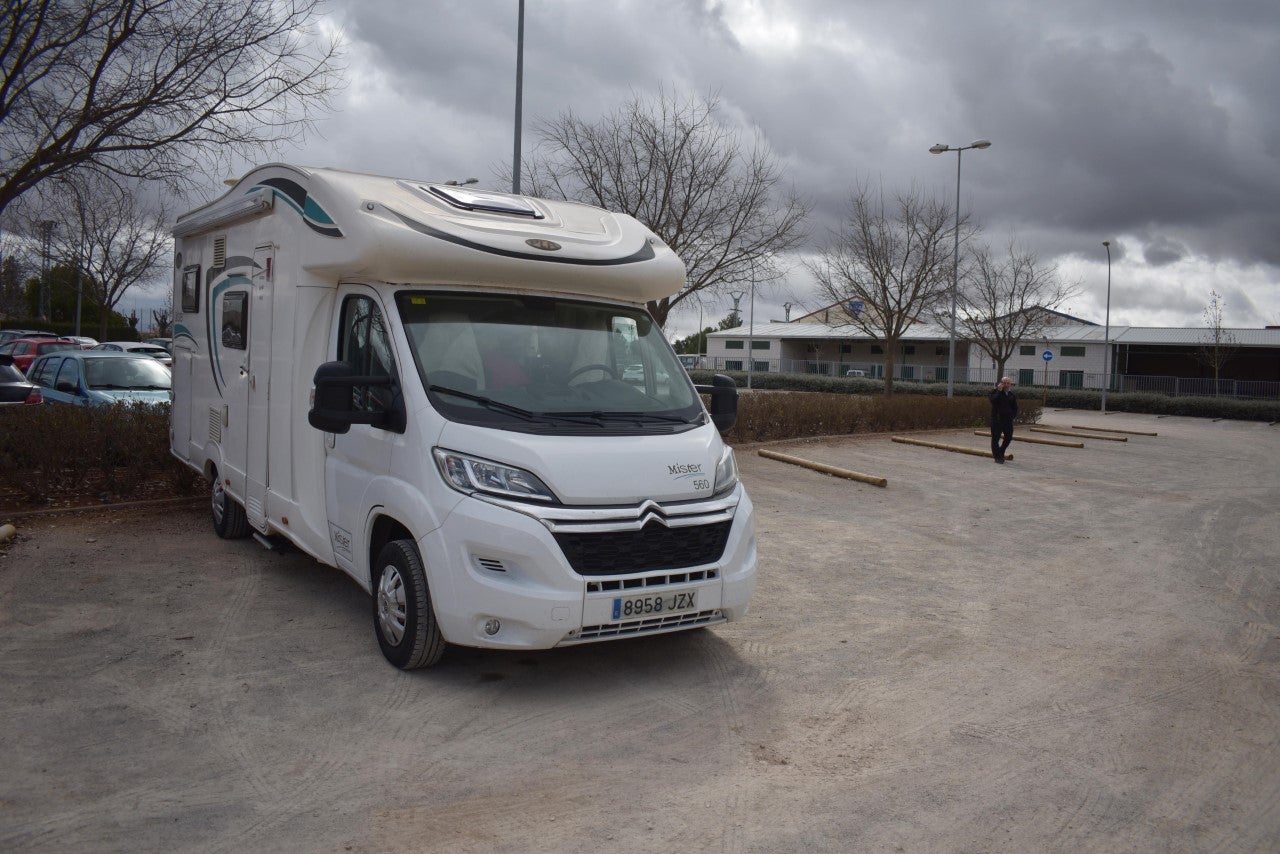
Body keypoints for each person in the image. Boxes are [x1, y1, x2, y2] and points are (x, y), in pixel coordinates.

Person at [989, 376, 1017, 464]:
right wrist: (998, 391)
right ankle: (997, 457)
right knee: (995, 438)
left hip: (1008, 420)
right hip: (997, 419)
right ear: (1000, 383)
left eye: (1008, 383)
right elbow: (993, 400)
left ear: (1010, 384)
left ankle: (1001, 451)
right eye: (1004, 383)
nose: (1006, 385)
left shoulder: (1011, 395)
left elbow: (1015, 407)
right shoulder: (995, 392)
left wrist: (1012, 416)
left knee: (1008, 437)